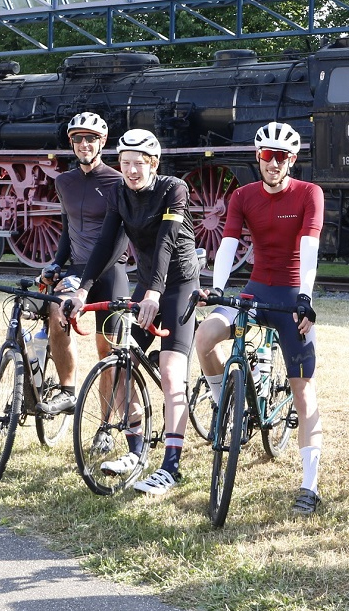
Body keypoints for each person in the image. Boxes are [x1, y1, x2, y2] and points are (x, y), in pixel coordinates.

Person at [193, 121, 325, 515]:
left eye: (281, 157)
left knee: (303, 391)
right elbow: (228, 242)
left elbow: (310, 247)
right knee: (204, 337)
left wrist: (305, 298)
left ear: (292, 160)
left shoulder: (308, 193)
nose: (274, 163)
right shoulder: (243, 195)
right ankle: (226, 407)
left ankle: (309, 483)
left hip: (291, 293)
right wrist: (217, 288)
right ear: (258, 157)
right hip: (255, 291)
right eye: (267, 155)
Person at [62, 129, 200, 495]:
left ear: (153, 163)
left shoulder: (173, 189)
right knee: (123, 361)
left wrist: (155, 292)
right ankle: (136, 450)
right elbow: (106, 243)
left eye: (139, 163)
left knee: (171, 374)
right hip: (148, 288)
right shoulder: (118, 192)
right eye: (125, 163)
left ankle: (171, 466)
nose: (132, 170)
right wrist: (82, 290)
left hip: (179, 285)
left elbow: (167, 243)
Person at [36, 111, 128, 416]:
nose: (84, 144)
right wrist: (55, 263)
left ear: (102, 142)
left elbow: (120, 241)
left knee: (107, 351)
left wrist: (90, 282)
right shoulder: (64, 182)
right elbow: (67, 229)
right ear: (71, 143)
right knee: (55, 311)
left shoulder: (118, 182)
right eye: (78, 139)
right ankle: (68, 391)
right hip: (76, 269)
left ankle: (106, 423)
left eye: (90, 138)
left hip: (110, 272)